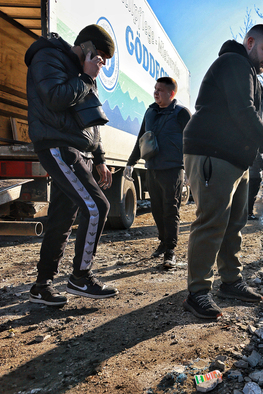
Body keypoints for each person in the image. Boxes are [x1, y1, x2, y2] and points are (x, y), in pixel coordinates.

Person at [182, 24, 263, 319]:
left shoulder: (251, 74)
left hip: (235, 159)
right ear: (250, 42)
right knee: (212, 221)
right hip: (211, 152)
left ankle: (230, 281)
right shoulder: (234, 62)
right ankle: (197, 293)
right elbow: (243, 112)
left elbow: (248, 118)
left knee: (234, 223)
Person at [25, 24, 119, 306]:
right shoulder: (49, 57)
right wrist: (87, 77)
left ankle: (41, 287)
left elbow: (92, 120)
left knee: (62, 220)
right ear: (87, 47)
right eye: (99, 56)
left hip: (78, 149)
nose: (100, 64)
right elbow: (54, 98)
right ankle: (80, 278)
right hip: (57, 144)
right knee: (97, 206)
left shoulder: (82, 75)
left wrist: (100, 159)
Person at [124, 77, 191, 268]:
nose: (156, 92)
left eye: (160, 90)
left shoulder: (181, 113)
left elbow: (192, 141)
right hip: (152, 168)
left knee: (171, 210)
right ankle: (163, 242)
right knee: (157, 209)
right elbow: (141, 138)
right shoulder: (150, 112)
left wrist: (190, 168)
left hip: (173, 169)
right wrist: (131, 162)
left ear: (171, 93)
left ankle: (170, 251)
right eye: (155, 89)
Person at [247, 154, 263, 220]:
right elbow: (261, 164)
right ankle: (249, 213)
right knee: (252, 196)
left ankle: (245, 213)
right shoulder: (257, 153)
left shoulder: (247, 151)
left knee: (248, 195)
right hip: (255, 176)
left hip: (248, 175)